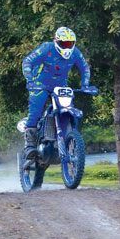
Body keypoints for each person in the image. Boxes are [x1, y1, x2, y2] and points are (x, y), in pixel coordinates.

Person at [21, 26, 91, 158]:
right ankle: (29, 146)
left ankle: (66, 139)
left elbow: (85, 67)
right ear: (56, 41)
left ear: (74, 43)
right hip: (39, 84)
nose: (66, 47)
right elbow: (27, 61)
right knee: (36, 110)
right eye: (63, 44)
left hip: (60, 86)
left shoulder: (75, 53)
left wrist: (85, 84)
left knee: (68, 108)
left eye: (69, 44)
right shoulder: (46, 48)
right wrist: (30, 79)